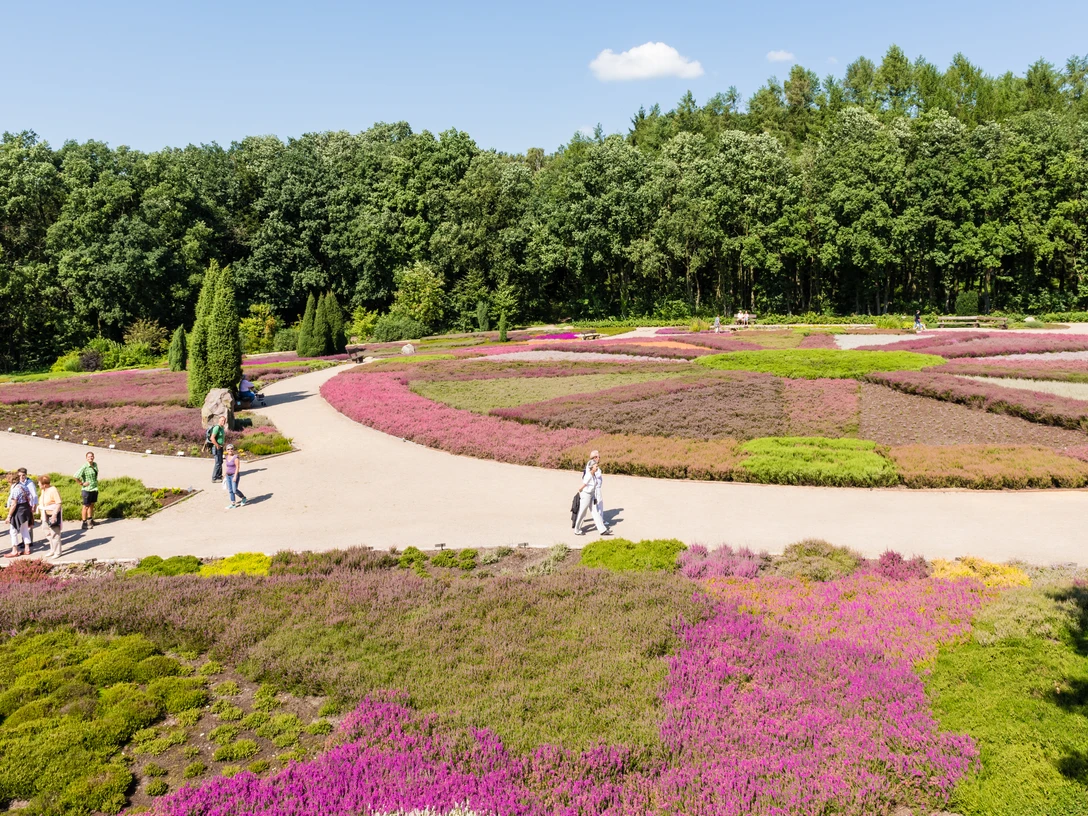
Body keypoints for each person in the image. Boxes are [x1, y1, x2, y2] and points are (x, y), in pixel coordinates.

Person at [574, 461, 609, 536]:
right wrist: (580, 492)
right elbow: (582, 486)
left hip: (592, 495)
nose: (597, 467)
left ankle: (602, 530)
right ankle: (577, 529)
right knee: (583, 512)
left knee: (596, 512)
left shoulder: (594, 475)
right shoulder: (588, 475)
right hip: (586, 495)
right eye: (596, 466)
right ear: (591, 467)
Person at [5, 473, 33, 557]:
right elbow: (29, 497)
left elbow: (14, 504)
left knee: (13, 531)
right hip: (25, 509)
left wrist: (9, 516)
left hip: (18, 511)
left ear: (11, 480)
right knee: (24, 529)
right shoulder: (24, 486)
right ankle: (27, 549)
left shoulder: (15, 489)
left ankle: (14, 550)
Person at [37, 474, 63, 559]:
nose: (38, 485)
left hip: (52, 513)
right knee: (47, 532)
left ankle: (57, 552)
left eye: (39, 483)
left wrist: (54, 514)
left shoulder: (53, 490)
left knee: (55, 533)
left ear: (44, 484)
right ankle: (52, 549)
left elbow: (58, 503)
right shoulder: (43, 490)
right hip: (45, 514)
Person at [74, 450, 99, 530]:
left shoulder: (95, 465)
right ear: (86, 458)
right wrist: (82, 483)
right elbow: (75, 476)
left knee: (92, 504)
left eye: (91, 456)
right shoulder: (84, 466)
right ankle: (84, 523)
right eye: (89, 457)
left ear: (93, 457)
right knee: (86, 506)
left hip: (94, 488)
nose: (90, 458)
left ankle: (90, 520)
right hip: (87, 490)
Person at [16, 468, 37, 546]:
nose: (21, 477)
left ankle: (29, 541)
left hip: (29, 505)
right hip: (22, 505)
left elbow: (34, 495)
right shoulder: (18, 482)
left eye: (23, 475)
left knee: (29, 524)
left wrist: (34, 505)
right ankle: (24, 540)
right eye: (20, 475)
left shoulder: (29, 483)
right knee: (23, 524)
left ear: (26, 475)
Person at [223, 444, 247, 509]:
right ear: (226, 450)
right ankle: (233, 504)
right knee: (230, 490)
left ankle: (243, 498)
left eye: (231, 449)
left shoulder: (235, 457)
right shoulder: (227, 457)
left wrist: (235, 476)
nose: (230, 450)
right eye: (228, 449)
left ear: (233, 450)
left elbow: (237, 467)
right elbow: (227, 466)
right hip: (228, 475)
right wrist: (225, 473)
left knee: (234, 490)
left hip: (234, 475)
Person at [210, 415, 226, 482]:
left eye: (224, 420)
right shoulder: (217, 428)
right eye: (222, 420)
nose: (223, 422)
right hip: (216, 447)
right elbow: (212, 438)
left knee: (220, 462)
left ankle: (219, 476)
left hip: (220, 447)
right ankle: (214, 478)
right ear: (219, 421)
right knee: (217, 463)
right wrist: (217, 445)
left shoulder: (222, 428)